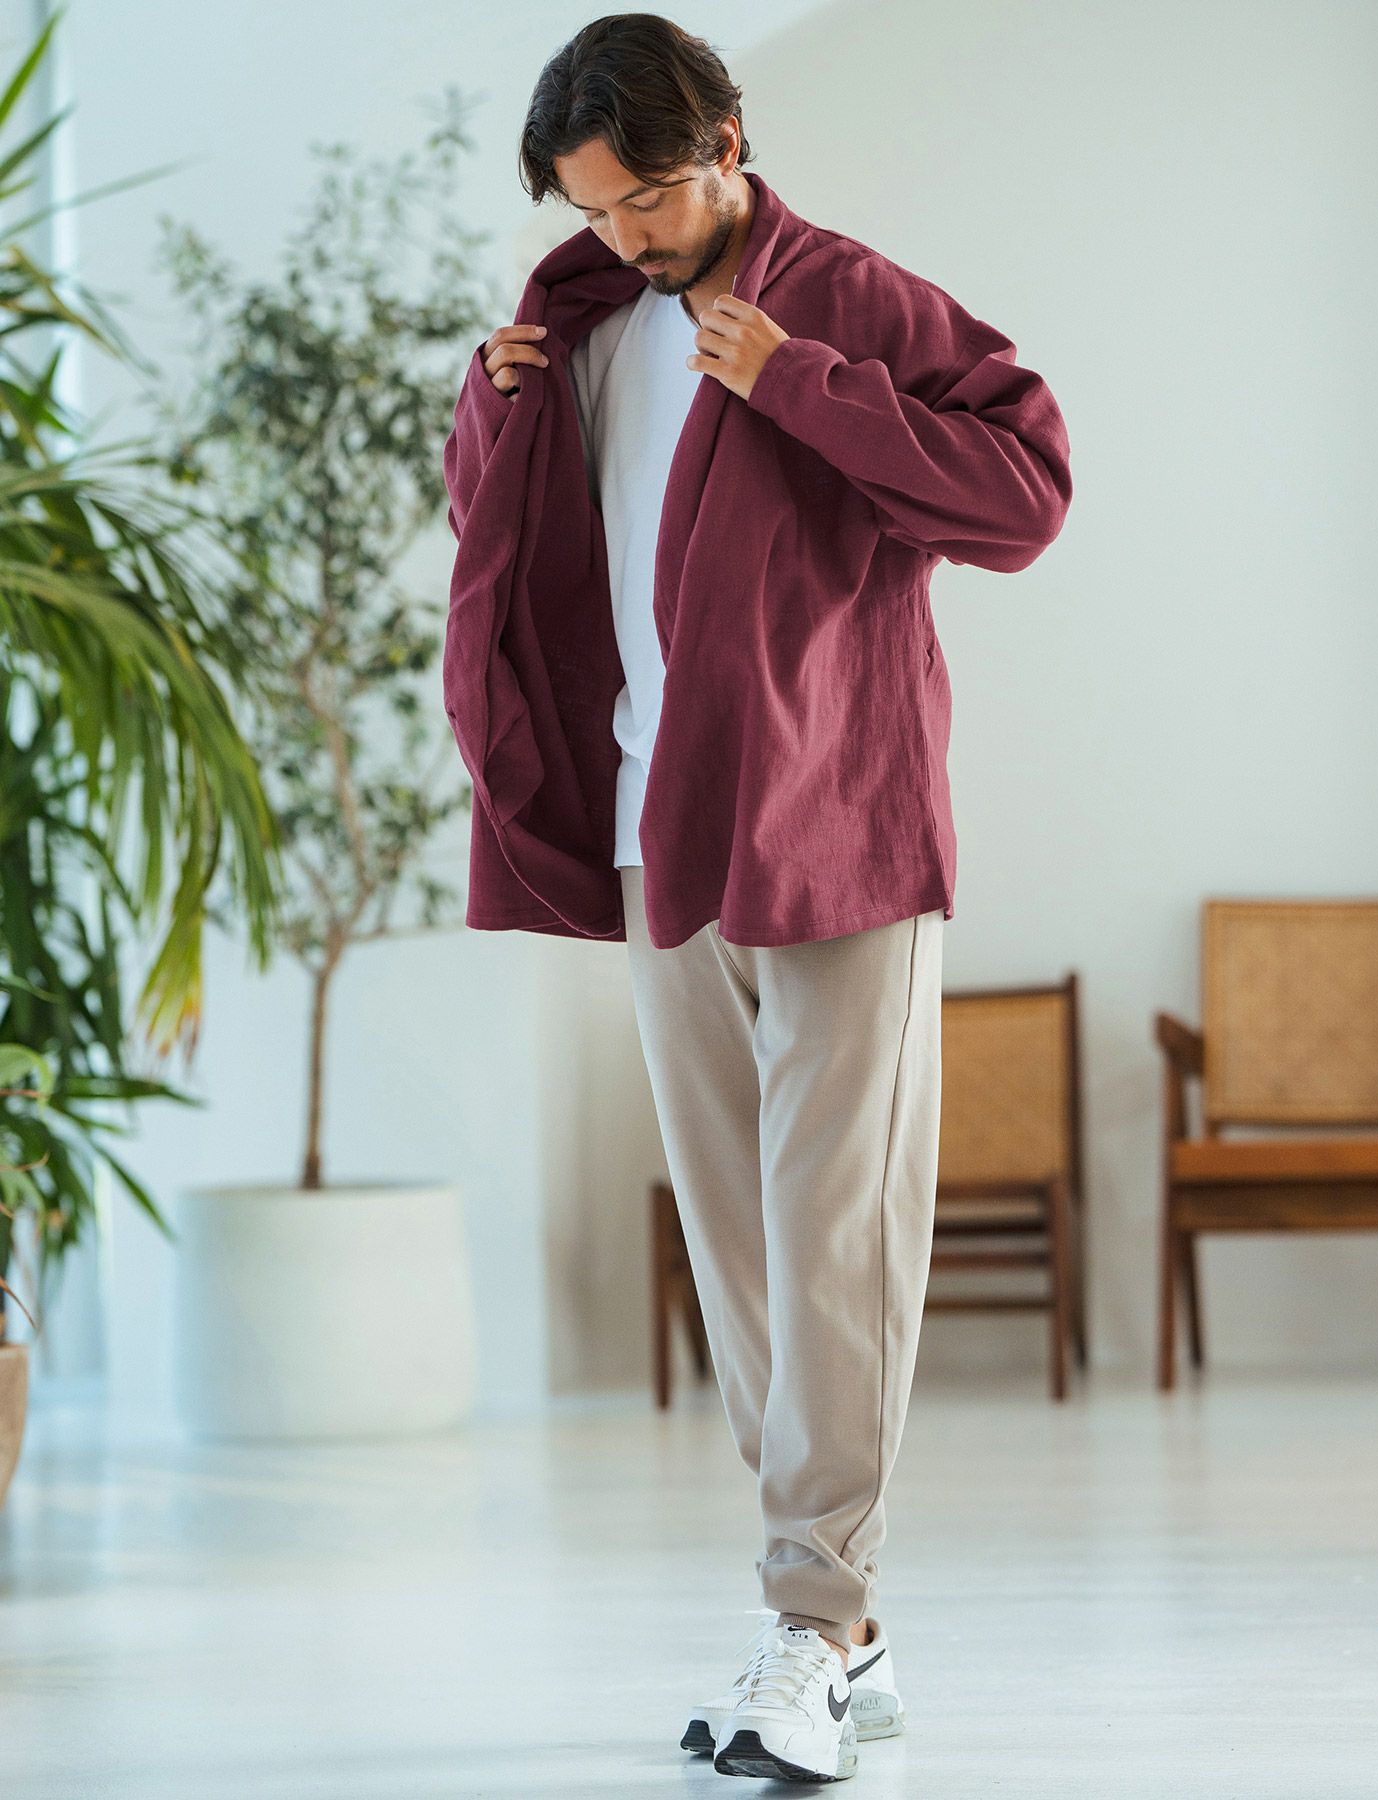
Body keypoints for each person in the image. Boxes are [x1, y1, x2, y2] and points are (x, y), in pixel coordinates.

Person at [443, 13, 1071, 1783]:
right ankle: (839, 1624)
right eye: (596, 209)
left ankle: (813, 1617)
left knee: (834, 1235)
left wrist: (801, 379)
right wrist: (492, 416)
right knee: (743, 1253)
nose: (628, 235)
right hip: (662, 830)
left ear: (727, 137)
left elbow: (1025, 494)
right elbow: (523, 560)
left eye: (648, 196)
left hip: (839, 823)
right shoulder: (575, 324)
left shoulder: (850, 299)